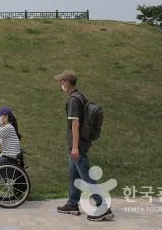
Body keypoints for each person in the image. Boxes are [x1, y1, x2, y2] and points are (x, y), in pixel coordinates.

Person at [55, 70, 114, 222]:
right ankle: (73, 204)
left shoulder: (73, 100)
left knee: (86, 176)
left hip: (77, 145)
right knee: (74, 174)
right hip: (80, 143)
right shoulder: (80, 96)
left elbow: (75, 124)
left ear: (67, 82)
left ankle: (103, 208)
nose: (60, 84)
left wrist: (74, 147)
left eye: (61, 81)